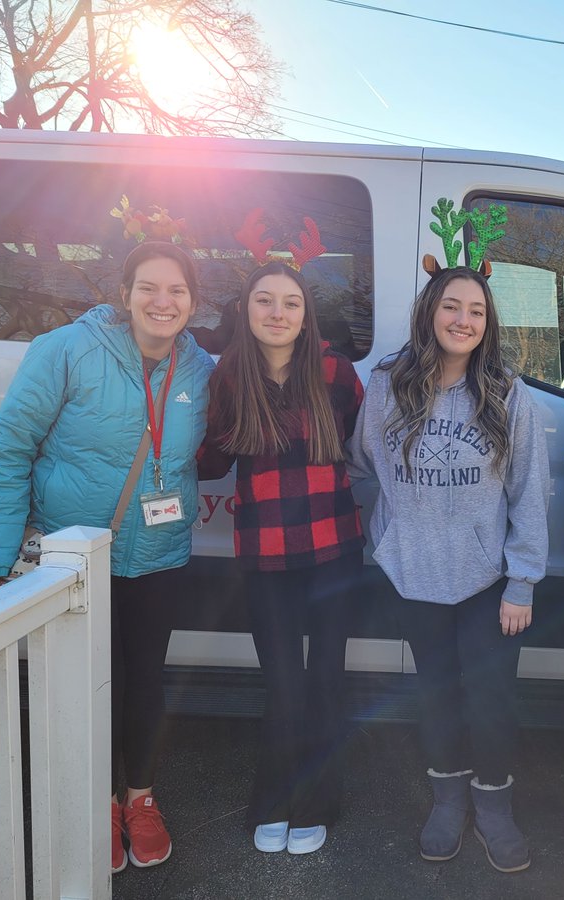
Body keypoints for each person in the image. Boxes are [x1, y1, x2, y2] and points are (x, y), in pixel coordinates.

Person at [0, 241, 214, 873]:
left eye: (178, 291)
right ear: (123, 292)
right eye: (149, 288)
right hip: (76, 553)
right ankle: (100, 801)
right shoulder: (67, 351)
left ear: (194, 300)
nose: (163, 302)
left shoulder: (202, 369)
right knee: (93, 682)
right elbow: (7, 447)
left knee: (146, 679)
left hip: (159, 551)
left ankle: (141, 797)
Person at [348, 263, 549, 874]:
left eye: (477, 311)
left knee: (490, 699)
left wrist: (521, 581)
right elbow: (364, 464)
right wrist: (388, 540)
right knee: (435, 694)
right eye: (451, 307)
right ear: (429, 313)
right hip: (413, 577)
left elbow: (528, 492)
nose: (464, 320)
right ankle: (446, 799)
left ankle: (493, 807)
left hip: (488, 584)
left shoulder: (509, 394)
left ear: (488, 324)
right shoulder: (387, 385)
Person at [197, 260, 365, 856]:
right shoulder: (228, 376)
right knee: (283, 684)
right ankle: (273, 800)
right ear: (244, 310)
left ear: (305, 314)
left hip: (333, 552)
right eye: (264, 301)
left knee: (323, 679)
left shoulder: (336, 373)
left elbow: (357, 442)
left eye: (290, 303)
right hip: (265, 554)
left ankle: (316, 802)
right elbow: (211, 462)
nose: (277, 313)